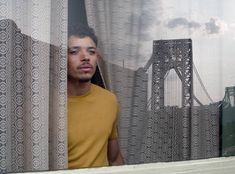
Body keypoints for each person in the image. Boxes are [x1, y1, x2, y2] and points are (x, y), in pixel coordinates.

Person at [67, 25, 124, 169]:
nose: (85, 57)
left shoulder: (109, 100)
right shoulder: (46, 106)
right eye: (74, 51)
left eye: (91, 52)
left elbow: (115, 158)